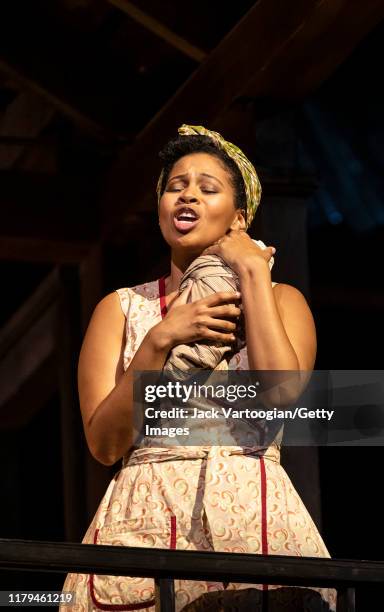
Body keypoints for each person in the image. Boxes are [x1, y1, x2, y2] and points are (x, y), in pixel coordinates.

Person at [60, 125, 337, 611]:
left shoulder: (281, 301)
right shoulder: (121, 308)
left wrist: (251, 269)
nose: (187, 194)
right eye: (175, 186)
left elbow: (283, 399)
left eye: (208, 189)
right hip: (146, 520)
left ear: (239, 217)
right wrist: (160, 339)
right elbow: (104, 445)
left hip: (255, 523)